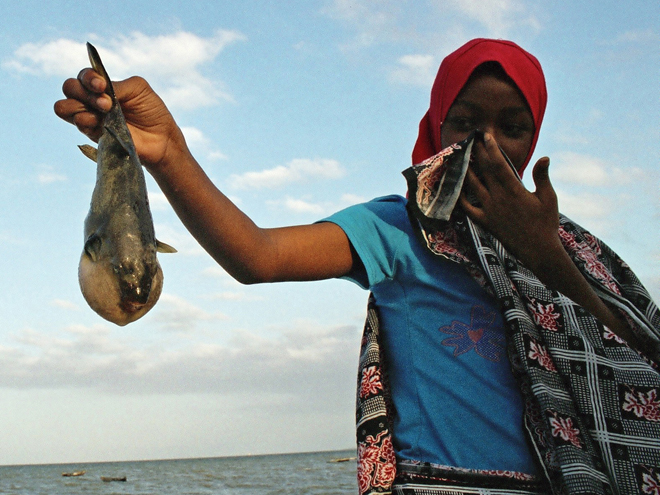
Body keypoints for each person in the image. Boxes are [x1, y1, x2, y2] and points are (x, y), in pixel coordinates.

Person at [55, 38, 660, 495]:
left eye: (513, 127)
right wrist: (168, 151)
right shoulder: (396, 229)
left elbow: (640, 361)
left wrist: (543, 250)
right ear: (435, 126)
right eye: (466, 122)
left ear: (537, 137)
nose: (488, 144)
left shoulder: (572, 248)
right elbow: (255, 255)